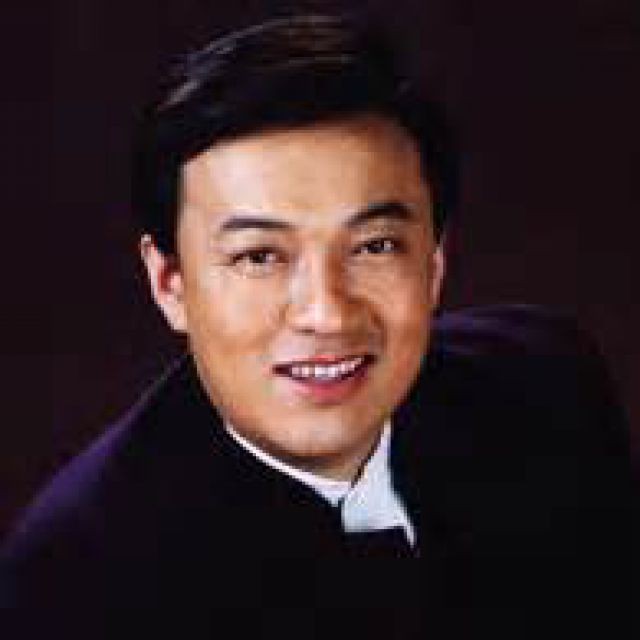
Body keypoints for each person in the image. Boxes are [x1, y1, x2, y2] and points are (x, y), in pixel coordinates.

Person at [1, 13, 633, 639]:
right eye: (259, 256)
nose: (326, 314)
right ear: (170, 283)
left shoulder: (543, 390)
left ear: (434, 263)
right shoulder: (77, 584)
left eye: (375, 246)